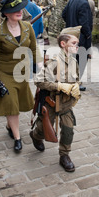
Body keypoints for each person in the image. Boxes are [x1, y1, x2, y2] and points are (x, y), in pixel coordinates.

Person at [0, 0, 41, 152]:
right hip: (5, 72)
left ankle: (9, 125)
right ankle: (17, 138)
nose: (20, 12)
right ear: (6, 13)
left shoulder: (27, 27)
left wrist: (39, 69)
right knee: (12, 105)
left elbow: (34, 48)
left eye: (21, 9)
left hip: (22, 73)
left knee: (17, 103)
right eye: (16, 9)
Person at [30, 27, 82, 172]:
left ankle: (64, 155)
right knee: (42, 130)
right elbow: (39, 81)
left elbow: (77, 79)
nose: (76, 46)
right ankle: (35, 136)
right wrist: (59, 86)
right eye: (73, 43)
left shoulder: (74, 62)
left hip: (66, 104)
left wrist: (76, 87)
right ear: (63, 44)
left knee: (68, 130)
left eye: (77, 44)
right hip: (51, 104)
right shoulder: (53, 62)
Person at [62, 0, 94, 90]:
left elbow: (64, 14)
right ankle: (76, 83)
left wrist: (70, 25)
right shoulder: (84, 3)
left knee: (71, 59)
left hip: (70, 36)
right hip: (81, 38)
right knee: (81, 60)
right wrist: (88, 35)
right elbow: (84, 23)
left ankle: (70, 80)